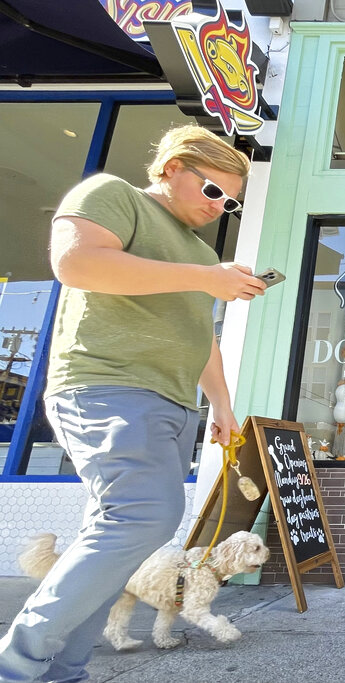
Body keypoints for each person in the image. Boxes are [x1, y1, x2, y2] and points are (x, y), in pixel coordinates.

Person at [0, 125, 267, 683]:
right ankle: (17, 663)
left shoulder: (198, 251)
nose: (221, 207)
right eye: (212, 191)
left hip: (174, 402)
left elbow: (201, 337)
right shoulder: (112, 195)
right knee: (145, 517)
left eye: (232, 201)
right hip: (107, 384)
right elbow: (76, 264)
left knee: (126, 538)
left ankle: (62, 670)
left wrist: (220, 404)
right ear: (171, 167)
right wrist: (205, 277)